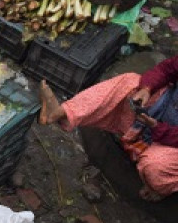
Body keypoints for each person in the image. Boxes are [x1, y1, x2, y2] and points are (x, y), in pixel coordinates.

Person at [40, 60, 178, 202]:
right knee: (129, 82)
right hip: (162, 111)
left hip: (172, 142)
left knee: (154, 167)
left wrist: (157, 128)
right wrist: (147, 88)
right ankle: (63, 113)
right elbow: (166, 69)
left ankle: (160, 188)